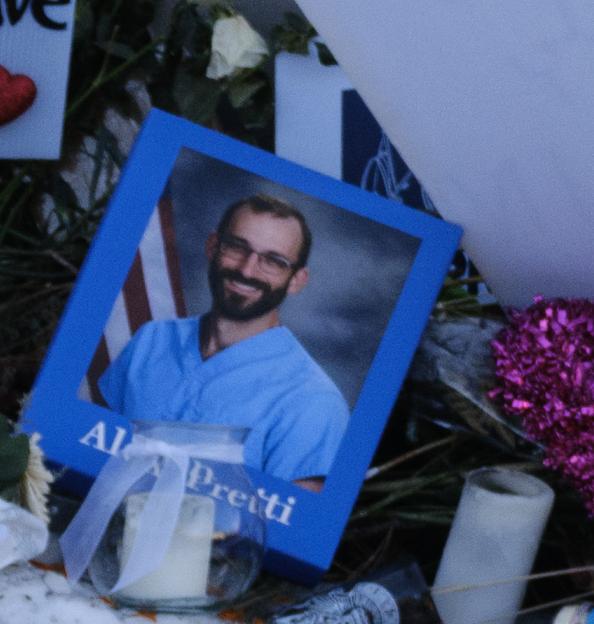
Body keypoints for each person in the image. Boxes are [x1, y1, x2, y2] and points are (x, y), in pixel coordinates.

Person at [50, 172, 368, 540]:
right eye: (237, 247)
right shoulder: (152, 339)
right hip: (96, 537)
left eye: (273, 261)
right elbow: (91, 453)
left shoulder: (314, 404)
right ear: (213, 246)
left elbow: (289, 541)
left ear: (297, 280)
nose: (248, 270)